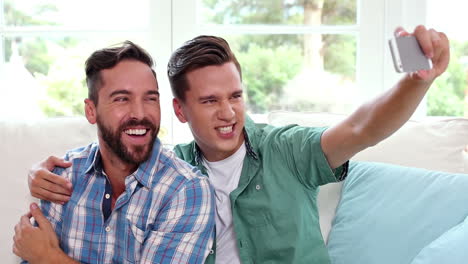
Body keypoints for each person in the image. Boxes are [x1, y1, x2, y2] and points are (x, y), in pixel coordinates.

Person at [26, 25, 450, 264]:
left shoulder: (286, 151)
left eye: (235, 96)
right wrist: (41, 175)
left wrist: (415, 82)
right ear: (180, 110)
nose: (228, 113)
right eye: (210, 101)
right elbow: (106, 174)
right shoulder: (171, 176)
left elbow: (363, 127)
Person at [13, 41, 215, 264]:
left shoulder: (186, 190)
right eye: (122, 99)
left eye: (150, 98)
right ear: (91, 111)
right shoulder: (63, 176)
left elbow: (39, 255)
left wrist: (49, 257)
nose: (139, 112)